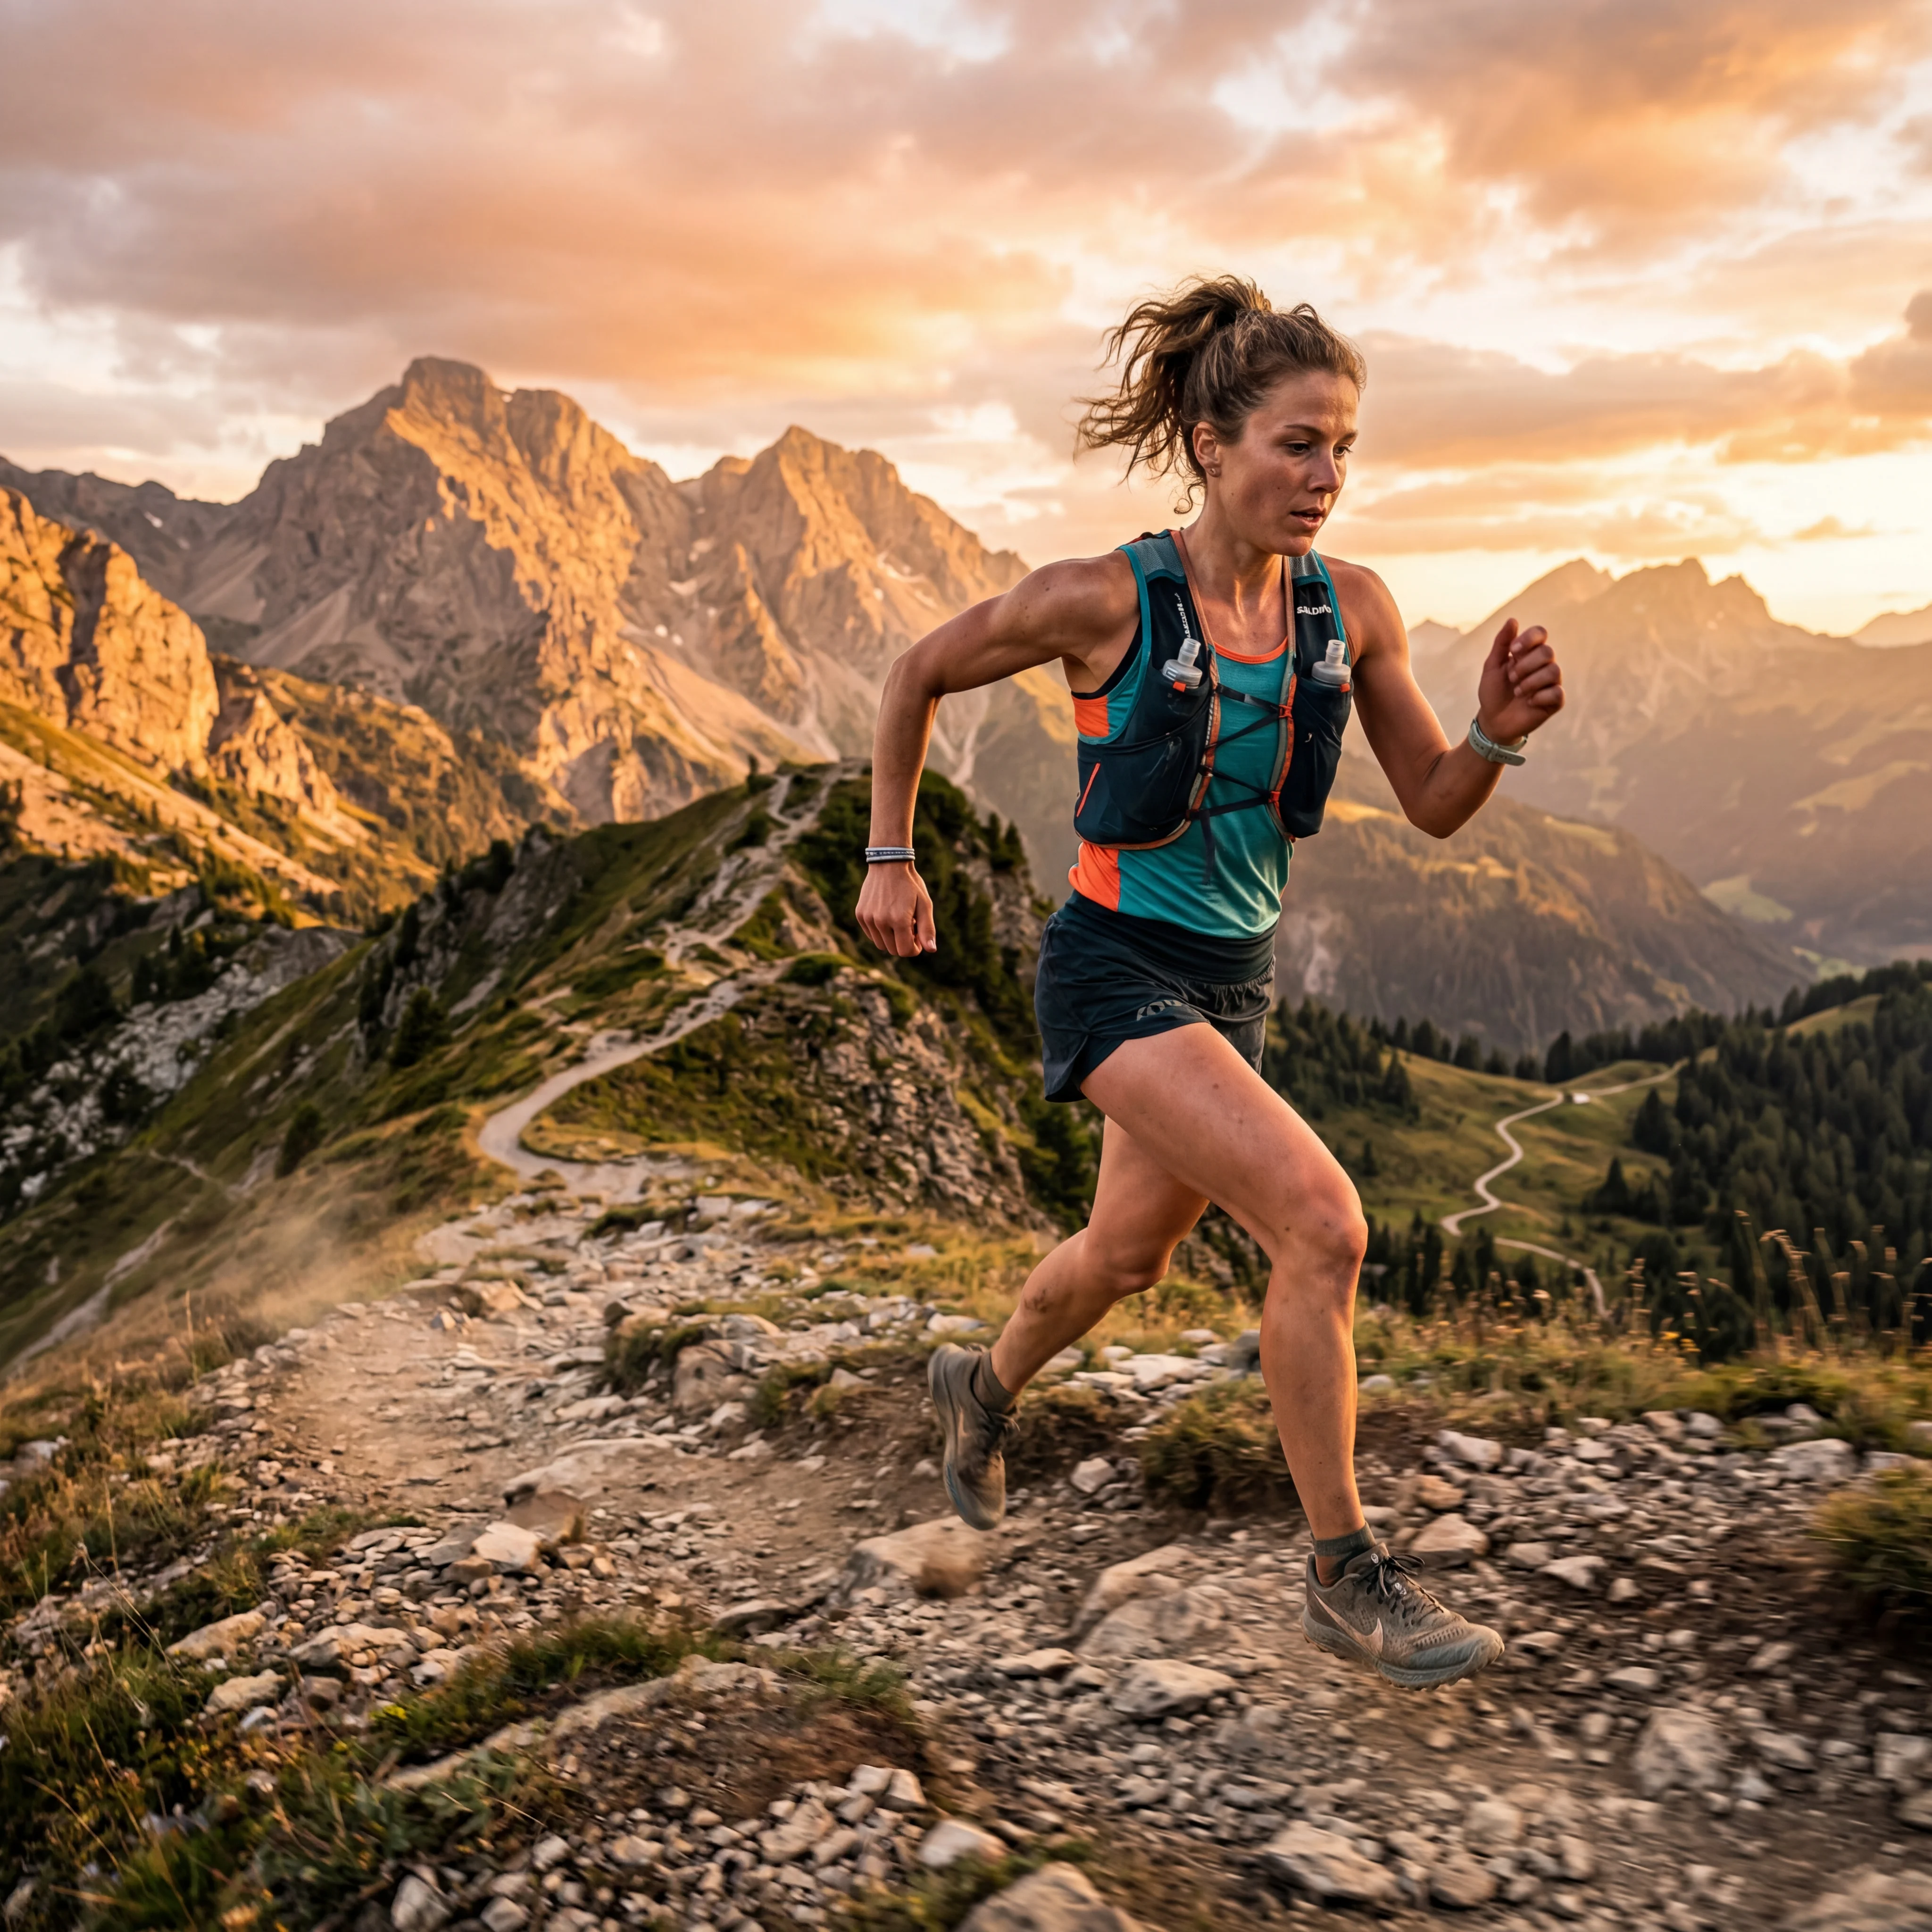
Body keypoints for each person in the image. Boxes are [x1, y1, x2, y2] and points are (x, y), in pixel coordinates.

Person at [854, 276, 1565, 1690]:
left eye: (1343, 447)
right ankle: (1345, 1573)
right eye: (1297, 443)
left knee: (1128, 1257)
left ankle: (977, 1394)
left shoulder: (1351, 609)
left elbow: (1432, 798)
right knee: (1323, 1225)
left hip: (1230, 988)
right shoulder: (1100, 599)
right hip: (1113, 971)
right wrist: (892, 852)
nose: (1326, 477)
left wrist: (1493, 735)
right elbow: (916, 671)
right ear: (1207, 441)